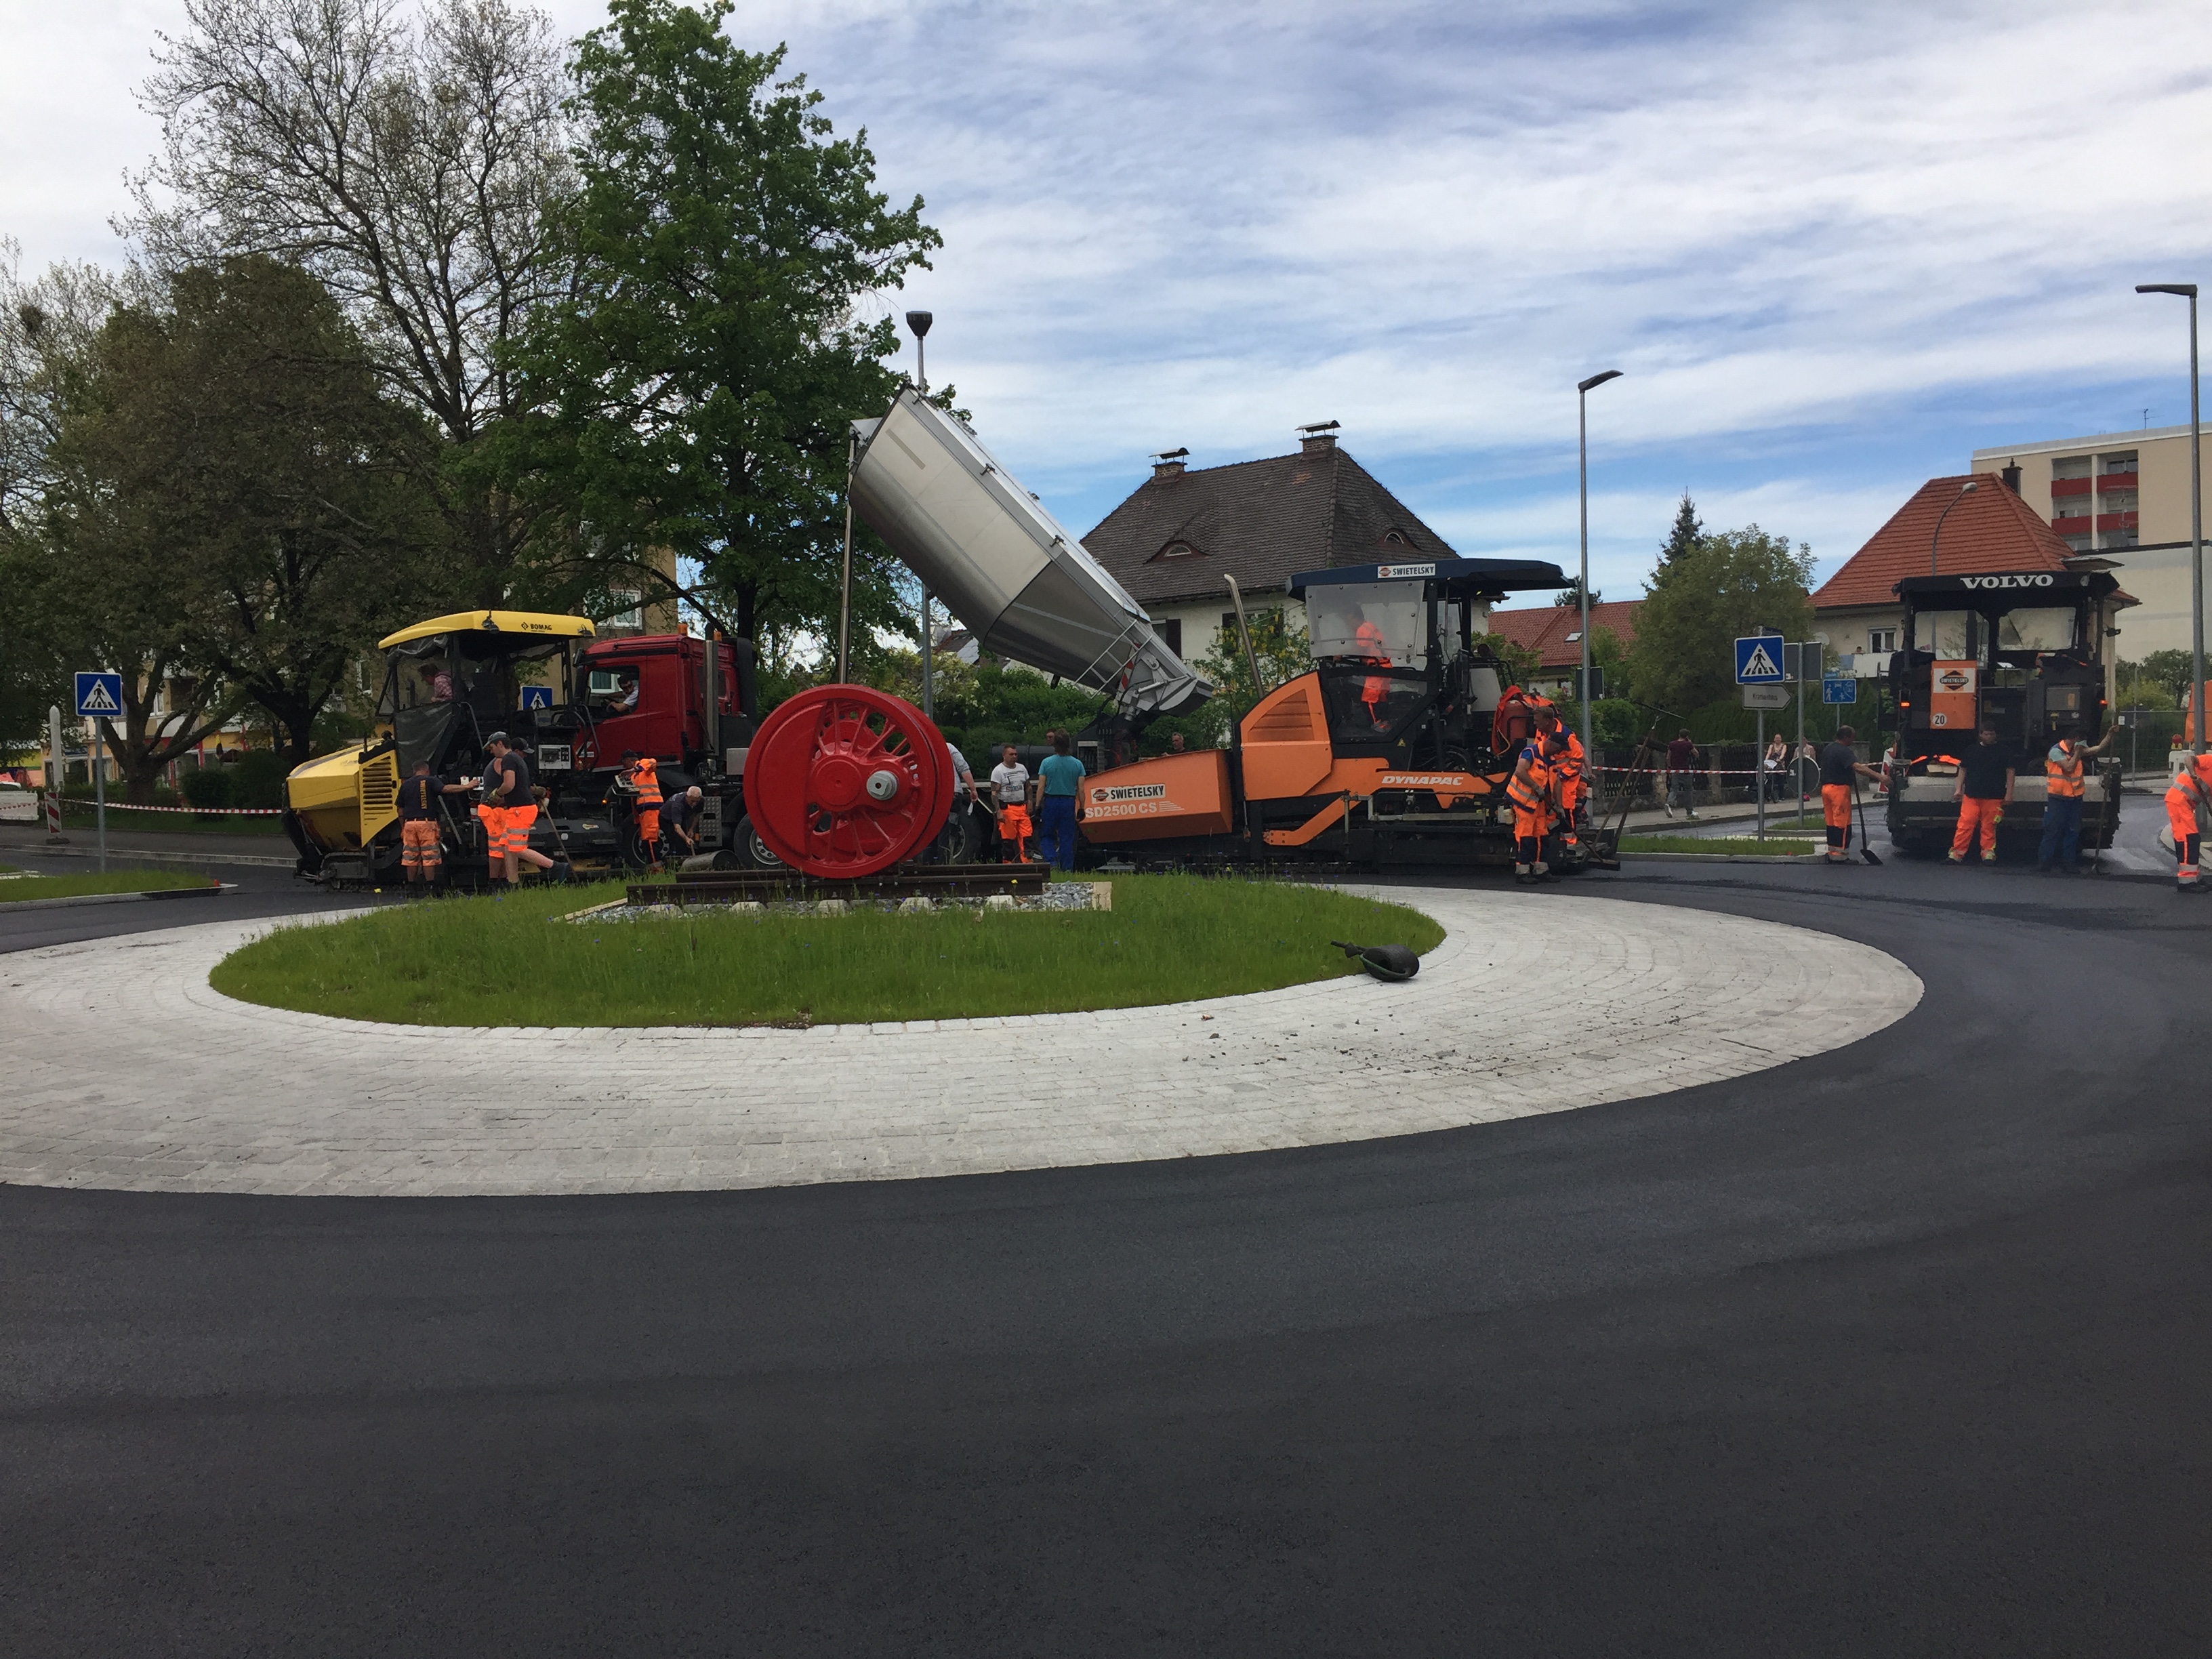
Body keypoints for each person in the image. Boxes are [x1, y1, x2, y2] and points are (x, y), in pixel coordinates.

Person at [487, 732, 565, 886]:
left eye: (492, 747)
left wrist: (496, 793)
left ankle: (556, 867)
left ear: (500, 744)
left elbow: (509, 784)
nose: (491, 751)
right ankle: (513, 883)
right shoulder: (516, 759)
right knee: (508, 846)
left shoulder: (508, 759)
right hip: (518, 808)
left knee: (517, 849)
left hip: (520, 810)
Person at [2038, 726, 2114, 874]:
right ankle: (2045, 863)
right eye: (2082, 743)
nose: (2084, 747)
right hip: (2057, 799)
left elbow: (2097, 749)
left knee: (2072, 832)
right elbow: (2069, 767)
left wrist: (2109, 735)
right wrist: (2078, 753)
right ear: (2075, 740)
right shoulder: (2056, 751)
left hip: (2075, 799)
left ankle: (2069, 863)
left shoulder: (2076, 751)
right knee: (2052, 830)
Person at [1814, 725, 1882, 863]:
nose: (1853, 740)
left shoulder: (1829, 749)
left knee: (1831, 822)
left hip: (1826, 789)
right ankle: (1840, 856)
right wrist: (1879, 777)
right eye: (1852, 737)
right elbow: (1857, 767)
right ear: (1846, 737)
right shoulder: (1844, 751)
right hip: (1839, 790)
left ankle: (1832, 852)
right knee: (1842, 823)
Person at [1948, 720, 2013, 865]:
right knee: (1965, 825)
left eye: (1992, 734)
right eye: (1986, 734)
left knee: (1989, 827)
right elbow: (1963, 771)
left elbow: (2010, 772)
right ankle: (1956, 854)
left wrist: (2009, 794)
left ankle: (1988, 854)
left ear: (1996, 735)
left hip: (1994, 797)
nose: (1989, 737)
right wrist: (1958, 789)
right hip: (1971, 796)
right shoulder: (1971, 751)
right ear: (1980, 735)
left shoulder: (2004, 751)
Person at [1507, 726, 1559, 883]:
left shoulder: (1550, 759)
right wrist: (1536, 788)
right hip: (1523, 802)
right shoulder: (1530, 752)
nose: (1558, 753)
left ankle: (1541, 870)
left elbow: (1557, 783)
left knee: (1542, 837)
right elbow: (1520, 772)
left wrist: (1559, 805)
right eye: (1558, 749)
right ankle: (1522, 873)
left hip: (1539, 804)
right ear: (1551, 744)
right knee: (1525, 837)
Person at [1036, 731, 1086, 872]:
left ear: (1055, 745)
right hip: (1068, 802)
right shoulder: (1077, 764)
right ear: (1069, 744)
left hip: (1051, 801)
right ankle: (1067, 868)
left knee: (1047, 835)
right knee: (1067, 837)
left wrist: (1038, 805)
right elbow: (1081, 789)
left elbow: (1041, 786)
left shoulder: (1047, 763)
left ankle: (1051, 863)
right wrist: (1082, 808)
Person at [2165, 749, 2212, 894]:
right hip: (2178, 800)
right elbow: (2189, 759)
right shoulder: (2210, 761)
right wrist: (2193, 775)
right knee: (2188, 839)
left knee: (2193, 839)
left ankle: (2194, 876)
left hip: (2185, 803)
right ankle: (2187, 881)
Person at [396, 760, 444, 893]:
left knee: (410, 857)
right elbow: (445, 789)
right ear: (427, 770)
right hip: (426, 824)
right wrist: (468, 786)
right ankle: (430, 887)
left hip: (410, 824)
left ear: (414, 771)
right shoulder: (430, 781)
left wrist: (403, 827)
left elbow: (400, 810)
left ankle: (411, 887)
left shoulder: (405, 785)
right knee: (428, 856)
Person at [990, 743, 1033, 862]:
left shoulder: (1022, 768)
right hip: (1008, 809)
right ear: (1004, 755)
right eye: (1011, 754)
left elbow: (1028, 787)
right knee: (1008, 841)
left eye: (1016, 754)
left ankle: (1028, 864)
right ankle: (1008, 866)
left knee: (1027, 837)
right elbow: (994, 793)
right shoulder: (998, 771)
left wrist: (1030, 801)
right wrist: (998, 811)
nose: (1014, 756)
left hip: (1022, 808)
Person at [622, 749, 662, 866]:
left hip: (650, 807)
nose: (623, 765)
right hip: (644, 810)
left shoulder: (643, 765)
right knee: (646, 839)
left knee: (650, 839)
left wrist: (631, 770)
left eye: (624, 762)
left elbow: (652, 762)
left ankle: (657, 868)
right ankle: (653, 867)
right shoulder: (635, 775)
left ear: (629, 760)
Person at [1664, 729, 1699, 819]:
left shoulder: (1672, 744)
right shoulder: (1688, 744)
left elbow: (1668, 757)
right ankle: (1690, 811)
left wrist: (1670, 766)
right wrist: (1691, 744)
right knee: (1688, 790)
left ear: (1679, 735)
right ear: (1687, 736)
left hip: (1675, 770)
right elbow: (1696, 754)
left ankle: (1669, 803)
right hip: (1685, 771)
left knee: (1674, 789)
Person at [664, 784, 705, 861]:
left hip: (682, 817)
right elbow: (677, 827)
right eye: (692, 801)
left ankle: (683, 859)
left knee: (683, 844)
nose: (694, 804)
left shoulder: (701, 800)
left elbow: (697, 814)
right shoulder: (677, 805)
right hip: (667, 819)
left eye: (697, 801)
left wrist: (691, 829)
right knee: (675, 840)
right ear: (687, 797)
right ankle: (672, 862)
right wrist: (686, 839)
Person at [1762, 733, 1790, 802]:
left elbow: (1783, 754)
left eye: (1779, 738)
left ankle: (1781, 796)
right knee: (1771, 780)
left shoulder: (1784, 746)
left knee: (1781, 782)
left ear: (1781, 739)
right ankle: (1770, 795)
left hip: (1780, 765)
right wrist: (1766, 761)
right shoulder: (1772, 746)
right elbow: (1769, 753)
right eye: (1776, 738)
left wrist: (1780, 759)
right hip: (1772, 764)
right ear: (1774, 739)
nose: (1777, 739)